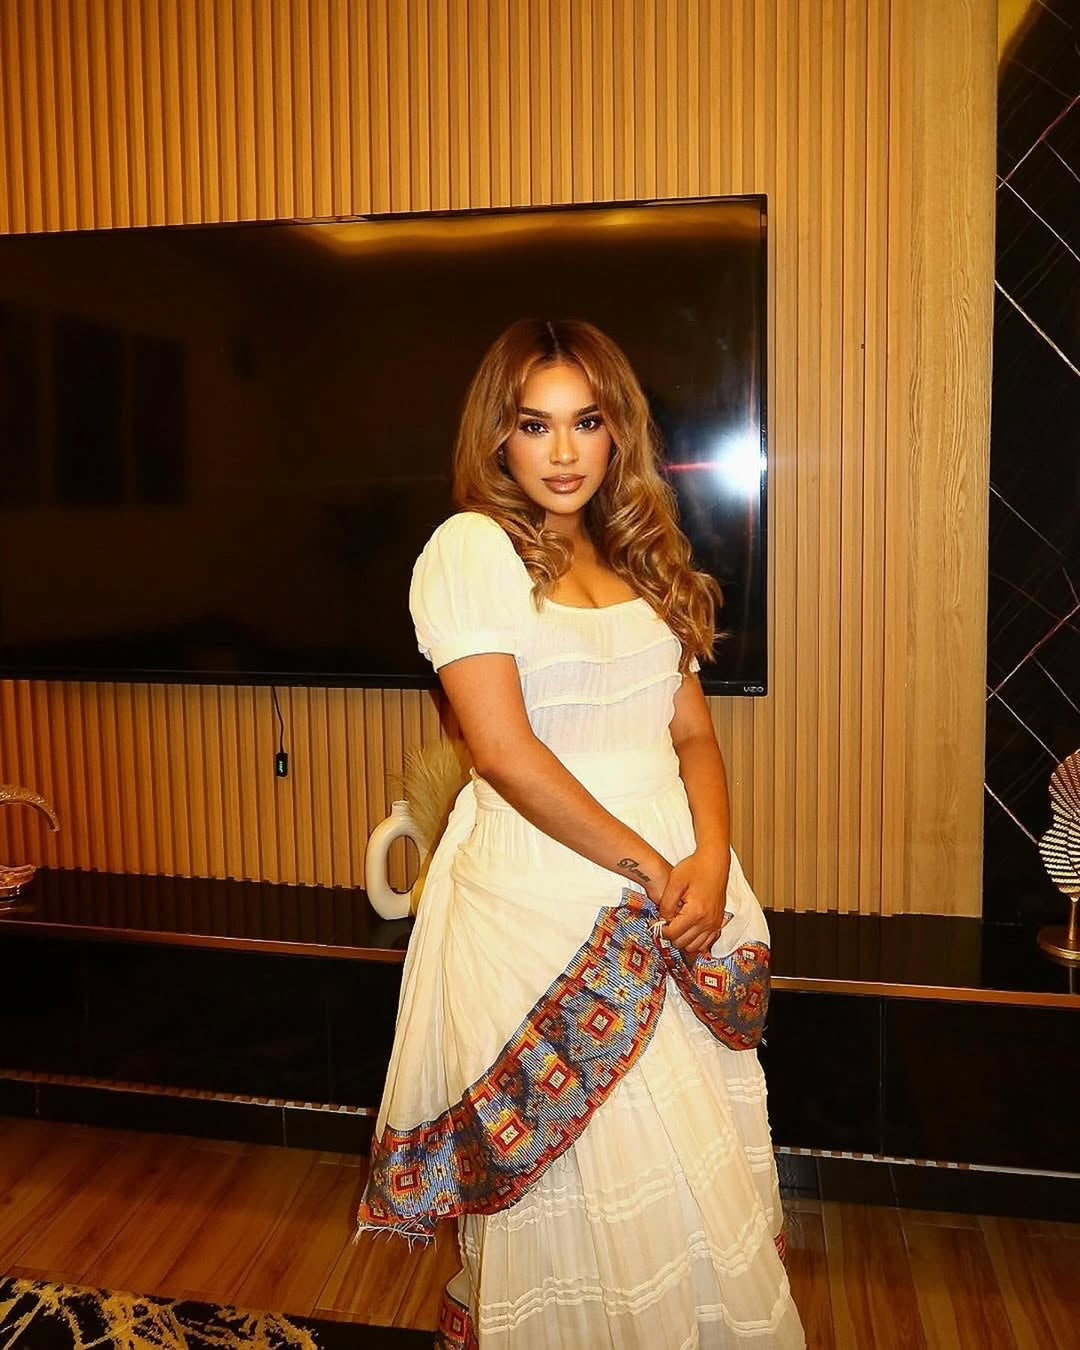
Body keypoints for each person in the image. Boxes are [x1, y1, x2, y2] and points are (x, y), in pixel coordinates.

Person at [355, 318, 806, 1348]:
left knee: (699, 1180)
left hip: (679, 894)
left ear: (617, 435)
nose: (562, 452)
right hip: (548, 902)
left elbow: (693, 737)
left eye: (586, 422)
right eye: (534, 424)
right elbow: (504, 753)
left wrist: (709, 861)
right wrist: (653, 868)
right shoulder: (471, 550)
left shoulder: (643, 552)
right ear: (500, 438)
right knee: (599, 1183)